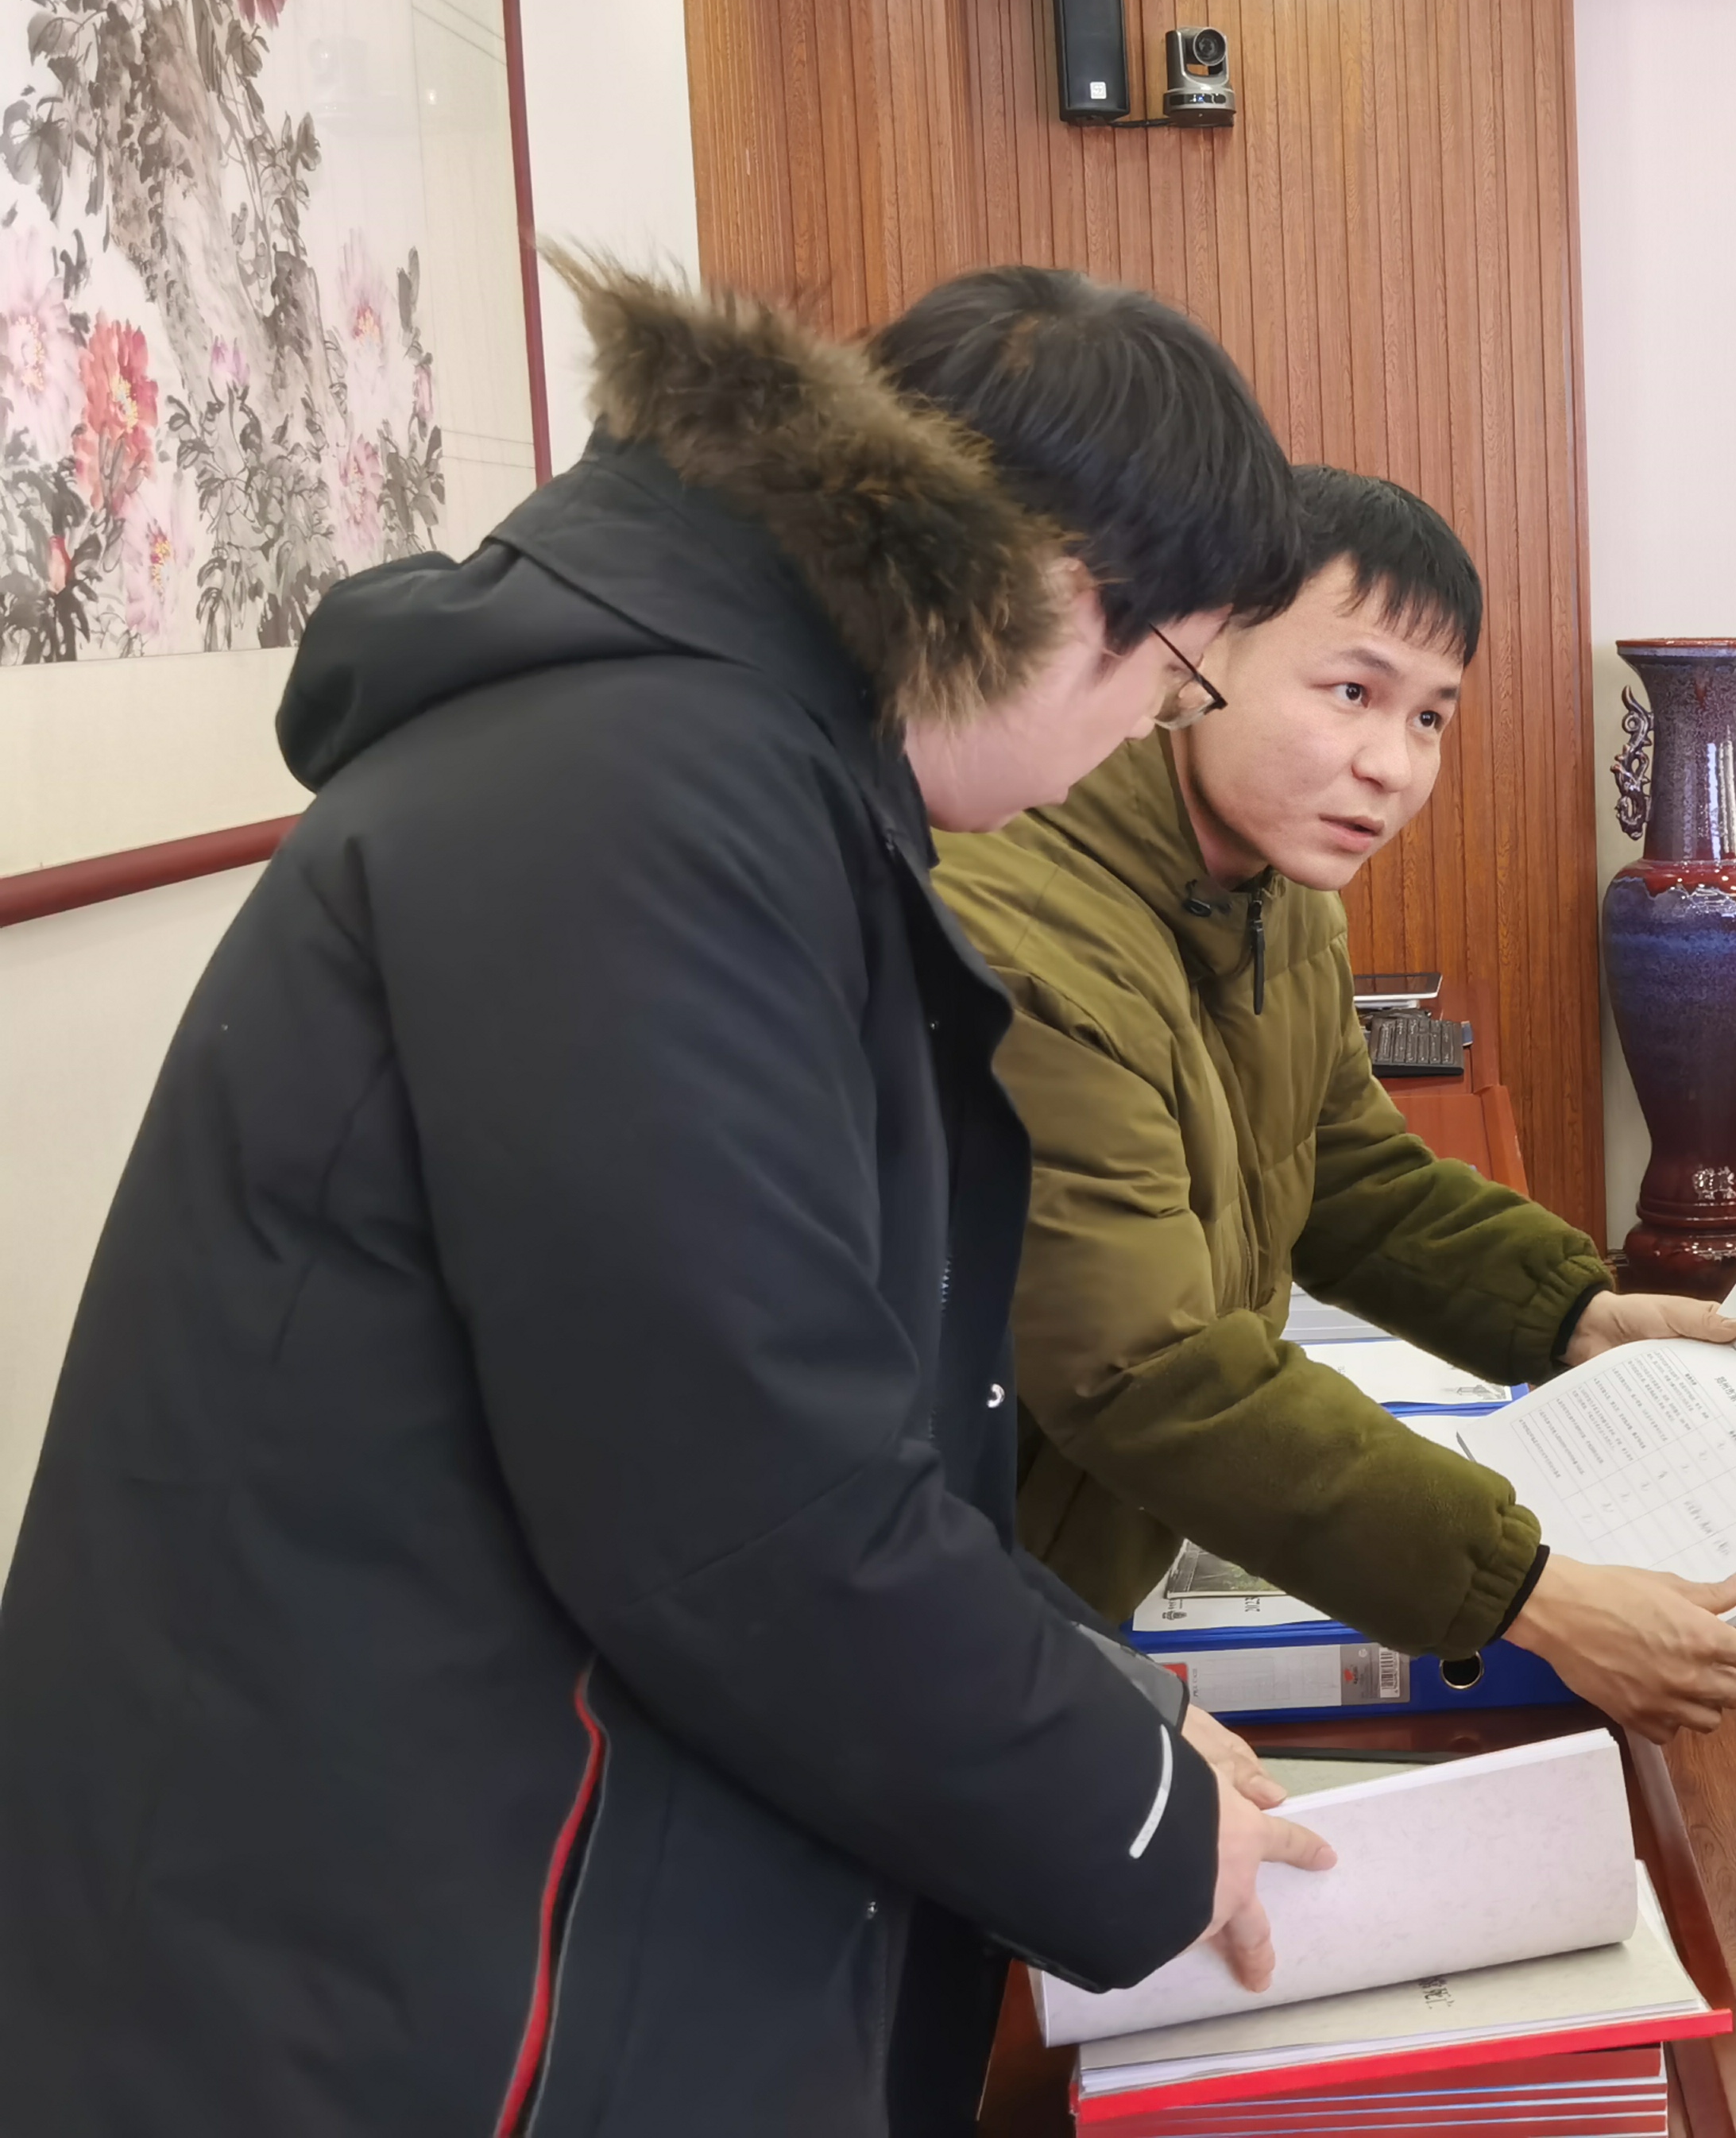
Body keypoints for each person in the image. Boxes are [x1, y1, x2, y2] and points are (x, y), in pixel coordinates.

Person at [0, 261, 1341, 2138]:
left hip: (426, 1860)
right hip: (364, 1947)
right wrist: (1134, 1816)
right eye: (1173, 677)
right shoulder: (642, 796)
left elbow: (804, 1413)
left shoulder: (718, 764)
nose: (1141, 735)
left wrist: (1106, 1696)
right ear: (1055, 594)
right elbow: (747, 1501)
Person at [932, 466, 1736, 1743]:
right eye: (1351, 692)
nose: (1393, 765)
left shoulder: (1274, 899)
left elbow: (1347, 1175)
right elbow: (1151, 1374)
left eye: (1430, 716)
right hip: (946, 1617)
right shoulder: (1023, 940)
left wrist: (1574, 1314)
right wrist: (1529, 1595)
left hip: (1059, 1581)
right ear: (1196, 647)